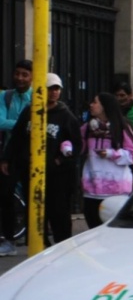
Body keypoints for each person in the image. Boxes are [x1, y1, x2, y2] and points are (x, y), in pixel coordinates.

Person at [0, 73, 82, 246]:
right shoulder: (30, 111)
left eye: (56, 89)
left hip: (57, 176)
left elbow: (76, 145)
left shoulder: (66, 116)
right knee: (35, 212)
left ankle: (62, 246)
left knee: (58, 212)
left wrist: (60, 161)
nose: (54, 93)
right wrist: (7, 159)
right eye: (50, 88)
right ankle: (40, 245)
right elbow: (17, 137)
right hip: (30, 171)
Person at [80, 92, 133, 228]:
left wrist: (111, 154)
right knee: (93, 229)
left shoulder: (122, 127)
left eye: (95, 102)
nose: (91, 105)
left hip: (116, 191)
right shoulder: (87, 128)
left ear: (104, 106)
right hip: (92, 189)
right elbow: (79, 147)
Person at [0, 59, 33, 255]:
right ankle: (9, 240)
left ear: (32, 77)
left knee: (34, 197)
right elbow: (0, 122)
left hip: (33, 155)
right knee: (5, 197)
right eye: (17, 73)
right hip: (11, 153)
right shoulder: (6, 96)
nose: (20, 78)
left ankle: (37, 238)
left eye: (24, 75)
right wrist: (23, 125)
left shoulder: (37, 97)